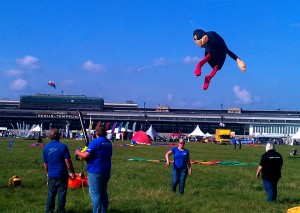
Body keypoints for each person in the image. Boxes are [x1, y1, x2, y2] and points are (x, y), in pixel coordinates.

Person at [75, 122, 112, 213]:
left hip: (95, 171)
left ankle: (96, 211)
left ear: (96, 133)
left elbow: (86, 155)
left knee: (95, 194)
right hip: (106, 171)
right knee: (103, 192)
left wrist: (78, 152)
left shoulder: (95, 142)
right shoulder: (108, 143)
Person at [43, 127, 75, 213]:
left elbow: (45, 164)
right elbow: (67, 161)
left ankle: (49, 210)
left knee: (51, 194)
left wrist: (47, 174)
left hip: (51, 174)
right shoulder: (63, 147)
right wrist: (72, 172)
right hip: (62, 174)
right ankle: (60, 211)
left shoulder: (46, 148)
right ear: (59, 136)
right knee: (62, 194)